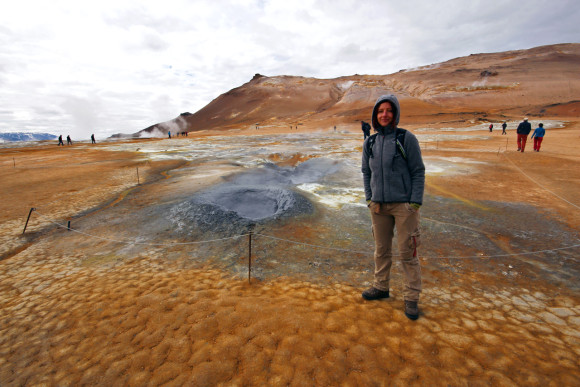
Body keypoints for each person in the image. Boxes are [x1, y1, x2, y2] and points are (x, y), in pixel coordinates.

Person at [361, 94, 425, 320]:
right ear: (375, 116)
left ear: (395, 114)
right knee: (381, 250)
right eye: (380, 111)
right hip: (378, 206)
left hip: (403, 206)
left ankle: (411, 297)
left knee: (408, 252)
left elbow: (418, 171)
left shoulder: (405, 138)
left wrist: (414, 202)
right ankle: (380, 287)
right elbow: (366, 172)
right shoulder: (370, 142)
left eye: (388, 110)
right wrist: (370, 199)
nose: (384, 115)